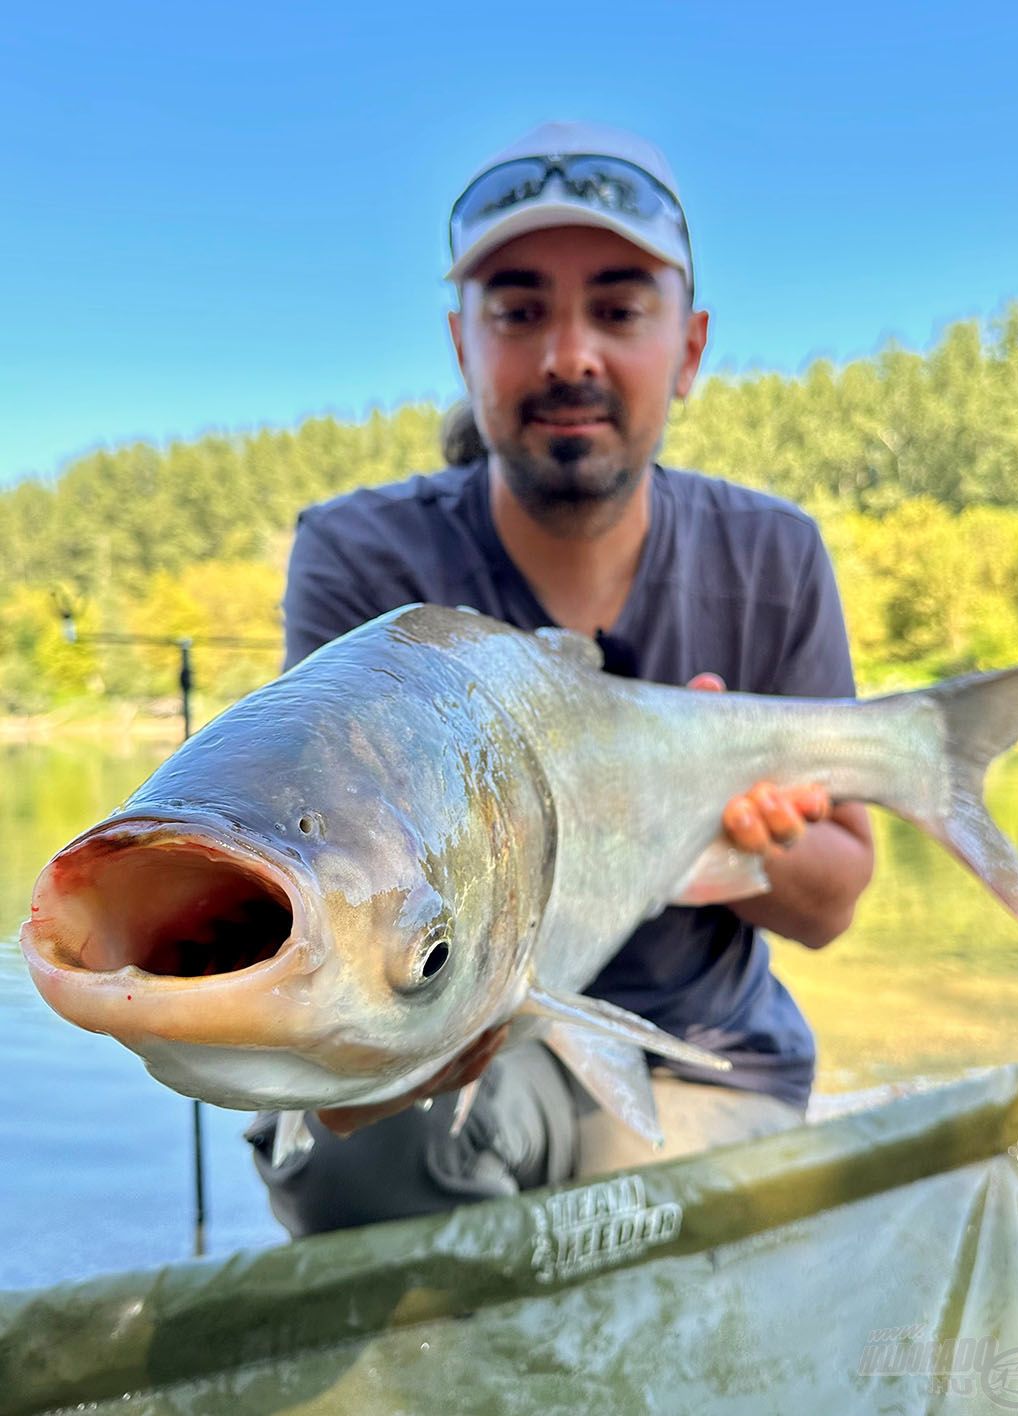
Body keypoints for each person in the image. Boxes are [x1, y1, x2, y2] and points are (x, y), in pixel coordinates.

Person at [247, 120, 875, 1236]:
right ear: (462, 345)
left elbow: (832, 906)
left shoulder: (777, 556)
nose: (569, 355)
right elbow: (322, 867)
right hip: (458, 1046)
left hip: (704, 1063)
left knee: (660, 1291)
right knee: (352, 1122)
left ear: (689, 348)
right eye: (520, 309)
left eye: (621, 309)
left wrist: (733, 836)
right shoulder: (360, 559)